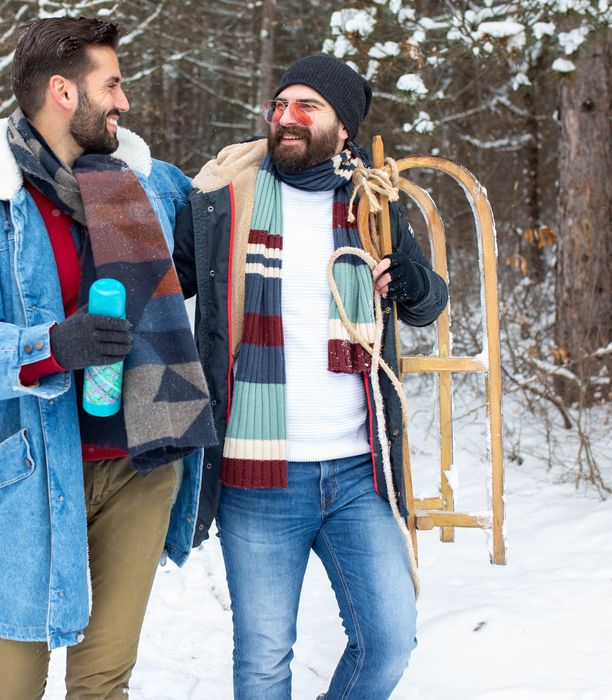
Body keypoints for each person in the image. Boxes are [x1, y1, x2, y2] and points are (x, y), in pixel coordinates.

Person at [0, 17, 214, 699]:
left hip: (140, 464)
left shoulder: (148, 186)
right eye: (113, 84)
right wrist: (47, 347)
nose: (124, 102)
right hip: (33, 475)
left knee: (102, 685)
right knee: (11, 688)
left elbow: (230, 228)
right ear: (64, 93)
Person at [171, 54, 449, 698]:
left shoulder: (371, 205)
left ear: (343, 128)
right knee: (265, 660)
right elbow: (163, 284)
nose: (286, 118)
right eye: (279, 105)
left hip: (357, 472)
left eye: (307, 107)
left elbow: (428, 303)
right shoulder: (225, 201)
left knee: (388, 642)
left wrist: (409, 282)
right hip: (256, 472)